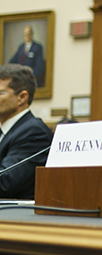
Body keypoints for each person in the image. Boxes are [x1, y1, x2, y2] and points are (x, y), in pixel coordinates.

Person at [0, 64, 52, 199]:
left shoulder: (33, 132)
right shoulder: (5, 129)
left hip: (16, 216)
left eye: (0, 93)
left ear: (22, 97)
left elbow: (5, 181)